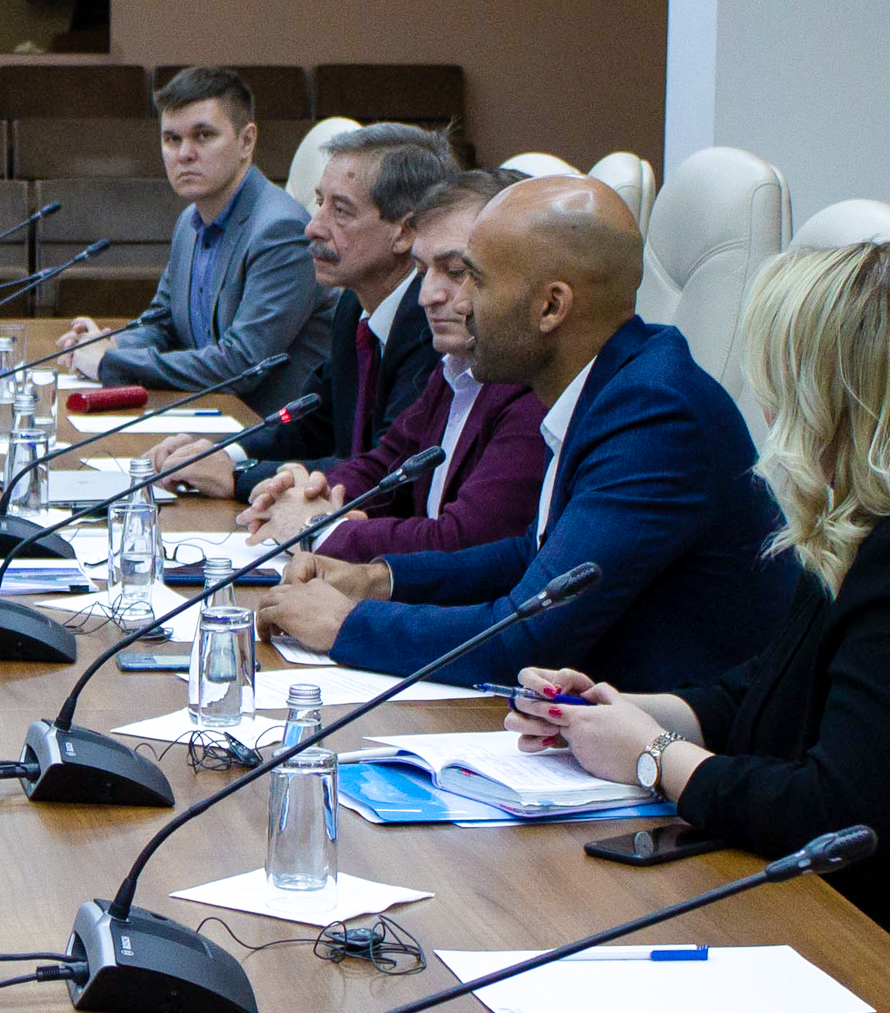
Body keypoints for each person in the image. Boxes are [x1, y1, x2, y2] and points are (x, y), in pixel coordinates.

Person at [500, 242, 890, 1000]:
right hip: (867, 938)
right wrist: (611, 714)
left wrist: (652, 757)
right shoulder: (874, 525)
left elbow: (837, 812)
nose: (765, 406)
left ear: (824, 396)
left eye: (777, 381)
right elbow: (767, 689)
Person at [253, 173, 792, 687]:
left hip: (677, 735)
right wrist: (377, 579)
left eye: (476, 280)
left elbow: (530, 635)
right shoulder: (607, 383)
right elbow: (533, 556)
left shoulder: (653, 415)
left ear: (551, 306)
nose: (459, 304)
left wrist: (347, 624)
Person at [231, 170, 549, 561]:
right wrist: (309, 493)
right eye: (422, 272)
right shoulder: (455, 367)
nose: (427, 296)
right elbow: (387, 465)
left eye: (457, 272)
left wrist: (318, 529)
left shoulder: (533, 390)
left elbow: (465, 540)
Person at [147, 122, 447, 502]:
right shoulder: (354, 305)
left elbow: (387, 473)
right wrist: (222, 451)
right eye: (320, 203)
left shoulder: (430, 324)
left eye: (341, 211)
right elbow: (306, 419)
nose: (312, 228)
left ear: (404, 232)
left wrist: (239, 476)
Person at [53, 65, 322, 414]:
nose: (184, 154)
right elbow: (162, 324)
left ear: (246, 141)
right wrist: (109, 342)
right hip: (211, 415)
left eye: (203, 136)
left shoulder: (281, 229)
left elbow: (241, 364)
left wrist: (110, 362)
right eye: (172, 139)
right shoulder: (189, 223)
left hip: (272, 428)